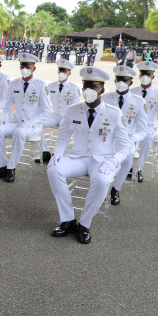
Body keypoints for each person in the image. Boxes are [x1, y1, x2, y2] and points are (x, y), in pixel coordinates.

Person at [46, 66, 132, 244]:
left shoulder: (114, 113)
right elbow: (63, 136)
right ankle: (68, 220)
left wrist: (114, 161)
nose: (88, 90)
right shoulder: (73, 110)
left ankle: (84, 224)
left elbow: (125, 147)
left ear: (102, 90)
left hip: (103, 159)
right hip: (77, 157)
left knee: (101, 181)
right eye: (86, 86)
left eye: (93, 86)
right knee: (53, 170)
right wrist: (57, 153)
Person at [0, 52, 52, 182]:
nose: (24, 69)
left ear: (34, 68)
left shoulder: (41, 85)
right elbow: (8, 106)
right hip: (16, 121)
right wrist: (4, 117)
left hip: (33, 125)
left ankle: (11, 168)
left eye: (28, 67)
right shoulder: (14, 83)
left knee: (19, 133)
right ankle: (2, 166)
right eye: (22, 66)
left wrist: (31, 122)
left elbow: (46, 112)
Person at [102, 65, 148, 205]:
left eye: (125, 80)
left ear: (131, 82)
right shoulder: (104, 98)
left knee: (127, 158)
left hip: (127, 139)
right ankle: (103, 188)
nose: (121, 83)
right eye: (119, 79)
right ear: (115, 81)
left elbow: (143, 130)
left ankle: (115, 189)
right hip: (107, 138)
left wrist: (132, 139)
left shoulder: (139, 102)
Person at [131, 61, 158, 182]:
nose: (145, 76)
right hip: (133, 125)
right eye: (143, 73)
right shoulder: (131, 92)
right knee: (127, 138)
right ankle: (129, 167)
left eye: (148, 74)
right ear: (139, 75)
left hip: (148, 125)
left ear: (153, 76)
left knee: (147, 138)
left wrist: (154, 126)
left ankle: (138, 169)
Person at [40, 59, 81, 163]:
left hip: (67, 116)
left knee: (64, 127)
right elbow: (45, 102)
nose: (62, 73)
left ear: (69, 73)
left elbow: (76, 105)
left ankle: (56, 153)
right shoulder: (50, 86)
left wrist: (70, 117)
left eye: (64, 71)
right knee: (38, 124)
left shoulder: (74, 88)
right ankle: (45, 151)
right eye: (60, 70)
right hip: (54, 115)